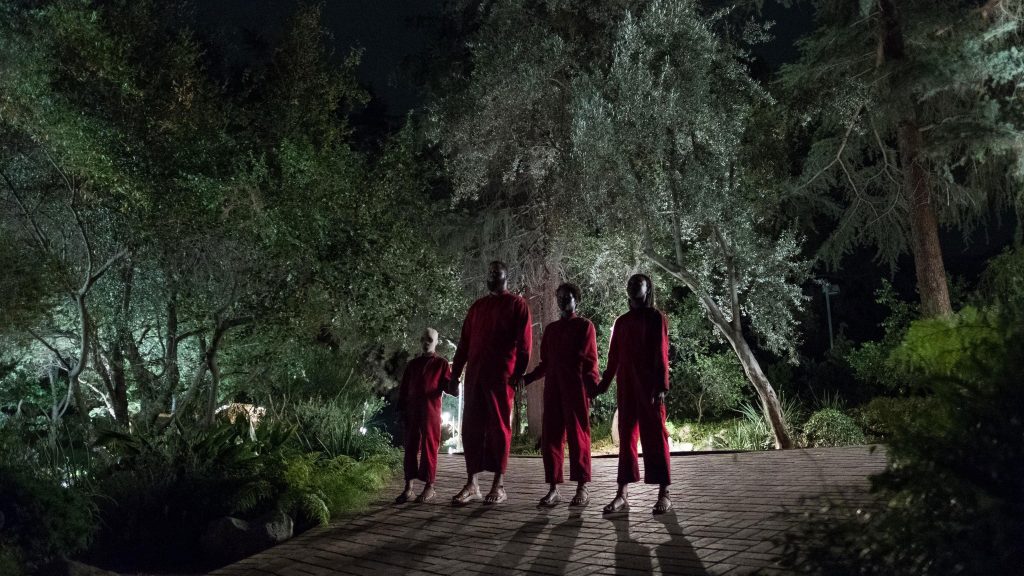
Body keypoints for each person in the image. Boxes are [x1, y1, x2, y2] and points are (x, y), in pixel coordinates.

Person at [446, 260, 533, 506]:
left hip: (501, 376)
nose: (493, 275)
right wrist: (455, 375)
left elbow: (524, 344)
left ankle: (499, 484)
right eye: (491, 272)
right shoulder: (477, 307)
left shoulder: (517, 304)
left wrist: (519, 373)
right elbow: (464, 344)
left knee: (498, 427)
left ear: (507, 276)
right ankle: (472, 483)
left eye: (498, 272)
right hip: (475, 375)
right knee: (471, 427)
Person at [592, 273, 672, 514]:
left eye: (639, 283)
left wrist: (661, 386)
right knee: (626, 441)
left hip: (649, 388)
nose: (633, 286)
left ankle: (664, 493)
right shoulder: (622, 321)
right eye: (630, 283)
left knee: (656, 439)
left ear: (648, 289)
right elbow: (613, 357)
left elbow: (661, 351)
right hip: (626, 388)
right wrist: (602, 386)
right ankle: (621, 494)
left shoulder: (656, 317)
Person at [518, 282, 599, 507]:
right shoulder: (551, 330)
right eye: (561, 296)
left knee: (578, 438)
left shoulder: (585, 326)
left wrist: (592, 387)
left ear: (577, 299)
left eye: (569, 296)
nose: (564, 299)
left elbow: (590, 361)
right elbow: (546, 363)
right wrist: (529, 378)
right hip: (553, 391)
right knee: (551, 439)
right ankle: (553, 488)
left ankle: (582, 487)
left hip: (576, 390)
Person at [396, 327, 451, 504]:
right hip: (412, 411)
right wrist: (401, 410)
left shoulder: (442, 364)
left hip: (431, 411)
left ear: (436, 341)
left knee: (429, 446)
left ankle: (429, 486)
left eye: (429, 339)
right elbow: (404, 388)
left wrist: (456, 380)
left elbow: (450, 387)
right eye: (423, 339)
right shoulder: (412, 365)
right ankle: (408, 487)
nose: (425, 343)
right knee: (410, 446)